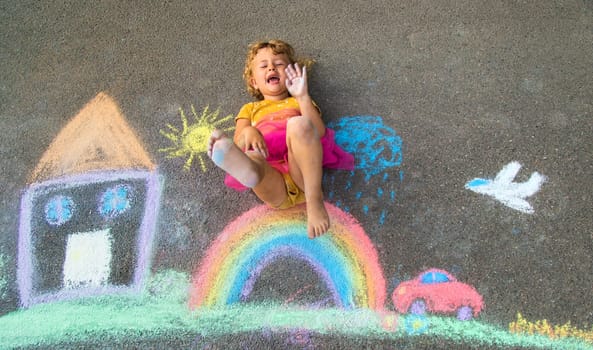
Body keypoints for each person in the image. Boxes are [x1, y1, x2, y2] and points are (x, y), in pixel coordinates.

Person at [208, 39, 354, 238]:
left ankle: (314, 201)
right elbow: (239, 143)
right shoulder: (250, 109)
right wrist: (249, 132)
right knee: (253, 155)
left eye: (278, 64)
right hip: (271, 179)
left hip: (302, 172)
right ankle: (250, 173)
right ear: (254, 81)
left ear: (290, 74)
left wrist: (302, 96)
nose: (271, 68)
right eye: (264, 66)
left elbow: (318, 132)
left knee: (298, 124)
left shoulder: (298, 100)